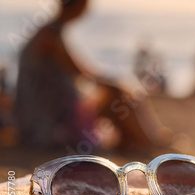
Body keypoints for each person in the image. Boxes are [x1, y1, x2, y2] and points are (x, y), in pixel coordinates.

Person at [14, 0, 170, 151]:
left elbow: (82, 72)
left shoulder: (51, 32)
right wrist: (117, 85)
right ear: (80, 5)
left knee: (116, 97)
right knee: (115, 95)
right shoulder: (49, 36)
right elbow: (82, 72)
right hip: (46, 119)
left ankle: (146, 140)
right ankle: (147, 141)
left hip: (51, 111)